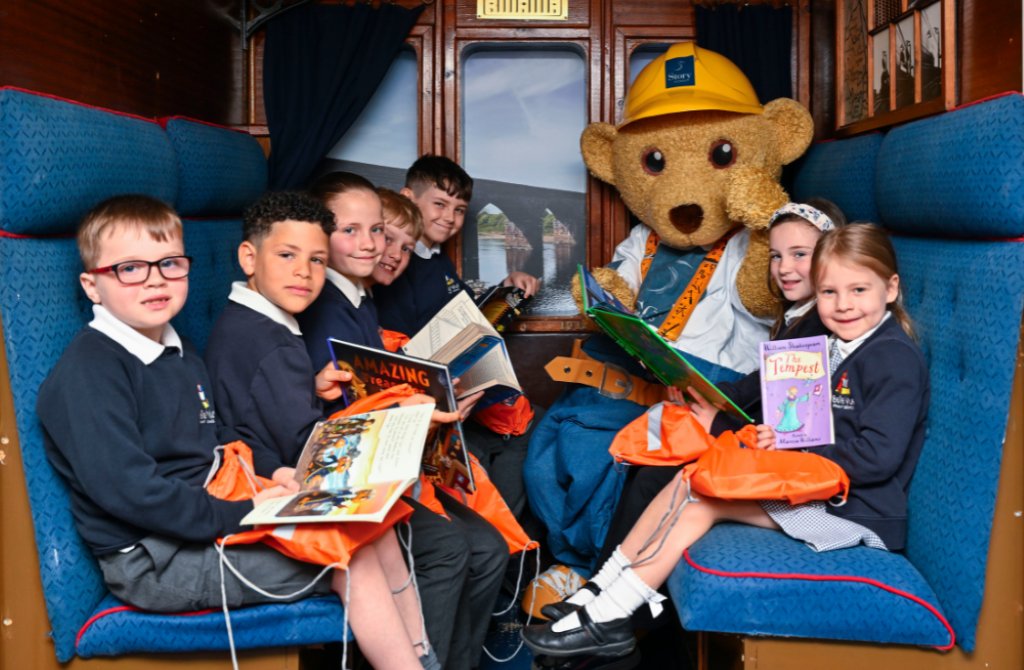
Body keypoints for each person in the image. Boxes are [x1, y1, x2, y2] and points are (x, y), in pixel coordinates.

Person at [37, 194, 440, 670]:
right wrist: (246, 512)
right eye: (129, 269)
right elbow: (133, 493)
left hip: (211, 513)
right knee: (351, 557)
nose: (154, 280)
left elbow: (222, 434)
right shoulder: (91, 370)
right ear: (93, 285)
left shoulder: (176, 345)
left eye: (169, 264)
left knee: (374, 528)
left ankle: (423, 655)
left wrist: (279, 473)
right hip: (156, 559)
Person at [522, 222, 928, 660]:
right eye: (829, 293)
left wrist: (792, 449)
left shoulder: (892, 356)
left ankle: (613, 619)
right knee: (689, 478)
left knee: (703, 500)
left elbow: (877, 458)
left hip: (859, 510)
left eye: (858, 290)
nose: (843, 305)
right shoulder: (836, 341)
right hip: (818, 482)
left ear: (890, 289)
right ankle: (601, 592)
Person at [298, 173, 509, 670]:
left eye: (384, 235)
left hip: (392, 464)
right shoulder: (327, 309)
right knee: (457, 548)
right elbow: (341, 420)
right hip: (358, 476)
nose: (375, 247)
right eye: (356, 232)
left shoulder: (360, 298)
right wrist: (423, 418)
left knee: (491, 549)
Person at [374, 154, 540, 336]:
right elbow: (397, 345)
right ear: (408, 198)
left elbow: (469, 314)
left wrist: (506, 285)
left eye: (459, 210)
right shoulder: (393, 266)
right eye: (439, 204)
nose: (449, 217)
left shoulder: (438, 257)